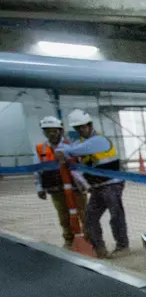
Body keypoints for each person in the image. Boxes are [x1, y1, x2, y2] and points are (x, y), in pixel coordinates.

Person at [56, 109, 128, 258]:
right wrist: (82, 182)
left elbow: (73, 151)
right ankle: (99, 248)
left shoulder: (99, 140)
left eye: (83, 127)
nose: (81, 130)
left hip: (112, 184)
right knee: (90, 219)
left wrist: (64, 150)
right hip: (96, 186)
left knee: (116, 215)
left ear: (90, 125)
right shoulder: (78, 143)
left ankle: (122, 246)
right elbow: (74, 158)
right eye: (78, 128)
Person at [34, 116, 88, 249]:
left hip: (75, 186)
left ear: (60, 131)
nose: (51, 134)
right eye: (47, 131)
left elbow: (82, 164)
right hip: (55, 188)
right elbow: (37, 170)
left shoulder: (73, 145)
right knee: (63, 216)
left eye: (54, 131)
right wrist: (39, 187)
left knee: (84, 214)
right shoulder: (40, 148)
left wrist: (85, 184)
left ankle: (90, 239)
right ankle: (69, 241)